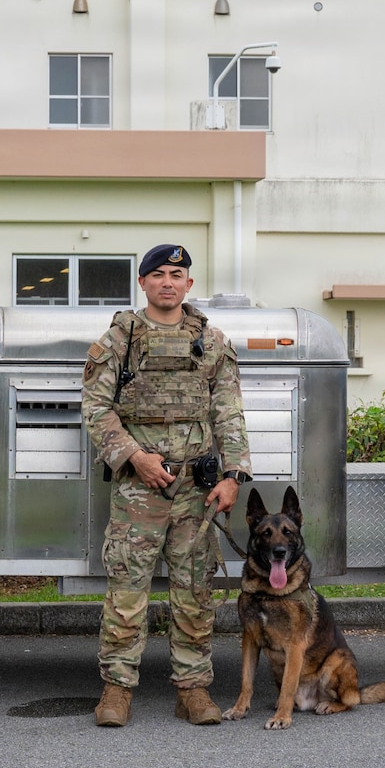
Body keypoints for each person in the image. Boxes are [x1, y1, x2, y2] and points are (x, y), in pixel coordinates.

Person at [81, 245, 249, 728]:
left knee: (195, 591)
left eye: (177, 275)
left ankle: (193, 691)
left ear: (189, 284)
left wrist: (234, 475)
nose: (168, 283)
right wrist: (136, 456)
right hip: (139, 487)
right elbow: (95, 408)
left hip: (197, 486)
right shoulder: (120, 339)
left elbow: (229, 411)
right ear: (143, 283)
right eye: (158, 275)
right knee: (127, 591)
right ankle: (116, 691)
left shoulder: (210, 341)